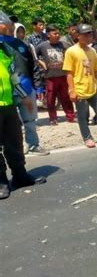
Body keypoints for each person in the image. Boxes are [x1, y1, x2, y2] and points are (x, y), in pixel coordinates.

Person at [0, 11, 46, 200]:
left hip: (8, 103)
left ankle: (20, 175)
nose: (8, 26)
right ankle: (1, 182)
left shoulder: (5, 48)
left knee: (15, 142)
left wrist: (24, 95)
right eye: (4, 24)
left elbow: (13, 75)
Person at [62, 24, 97, 148]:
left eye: (90, 34)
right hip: (79, 89)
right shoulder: (71, 51)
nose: (88, 36)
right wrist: (72, 90)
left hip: (92, 89)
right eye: (85, 34)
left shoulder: (93, 51)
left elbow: (96, 71)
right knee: (83, 117)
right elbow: (69, 73)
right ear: (78, 36)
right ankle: (87, 138)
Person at [7, 22, 49, 155]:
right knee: (11, 125)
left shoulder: (28, 46)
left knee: (30, 120)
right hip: (9, 91)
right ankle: (14, 149)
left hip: (27, 88)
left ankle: (33, 145)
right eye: (16, 31)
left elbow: (35, 67)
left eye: (21, 31)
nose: (19, 34)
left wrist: (37, 87)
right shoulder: (4, 47)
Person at [36, 24, 75, 125]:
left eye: (58, 33)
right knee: (50, 99)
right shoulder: (42, 46)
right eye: (55, 33)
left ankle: (70, 116)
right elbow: (34, 55)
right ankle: (53, 118)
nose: (58, 35)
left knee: (66, 97)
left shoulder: (64, 45)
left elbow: (73, 54)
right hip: (50, 76)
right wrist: (40, 62)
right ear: (48, 35)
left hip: (63, 75)